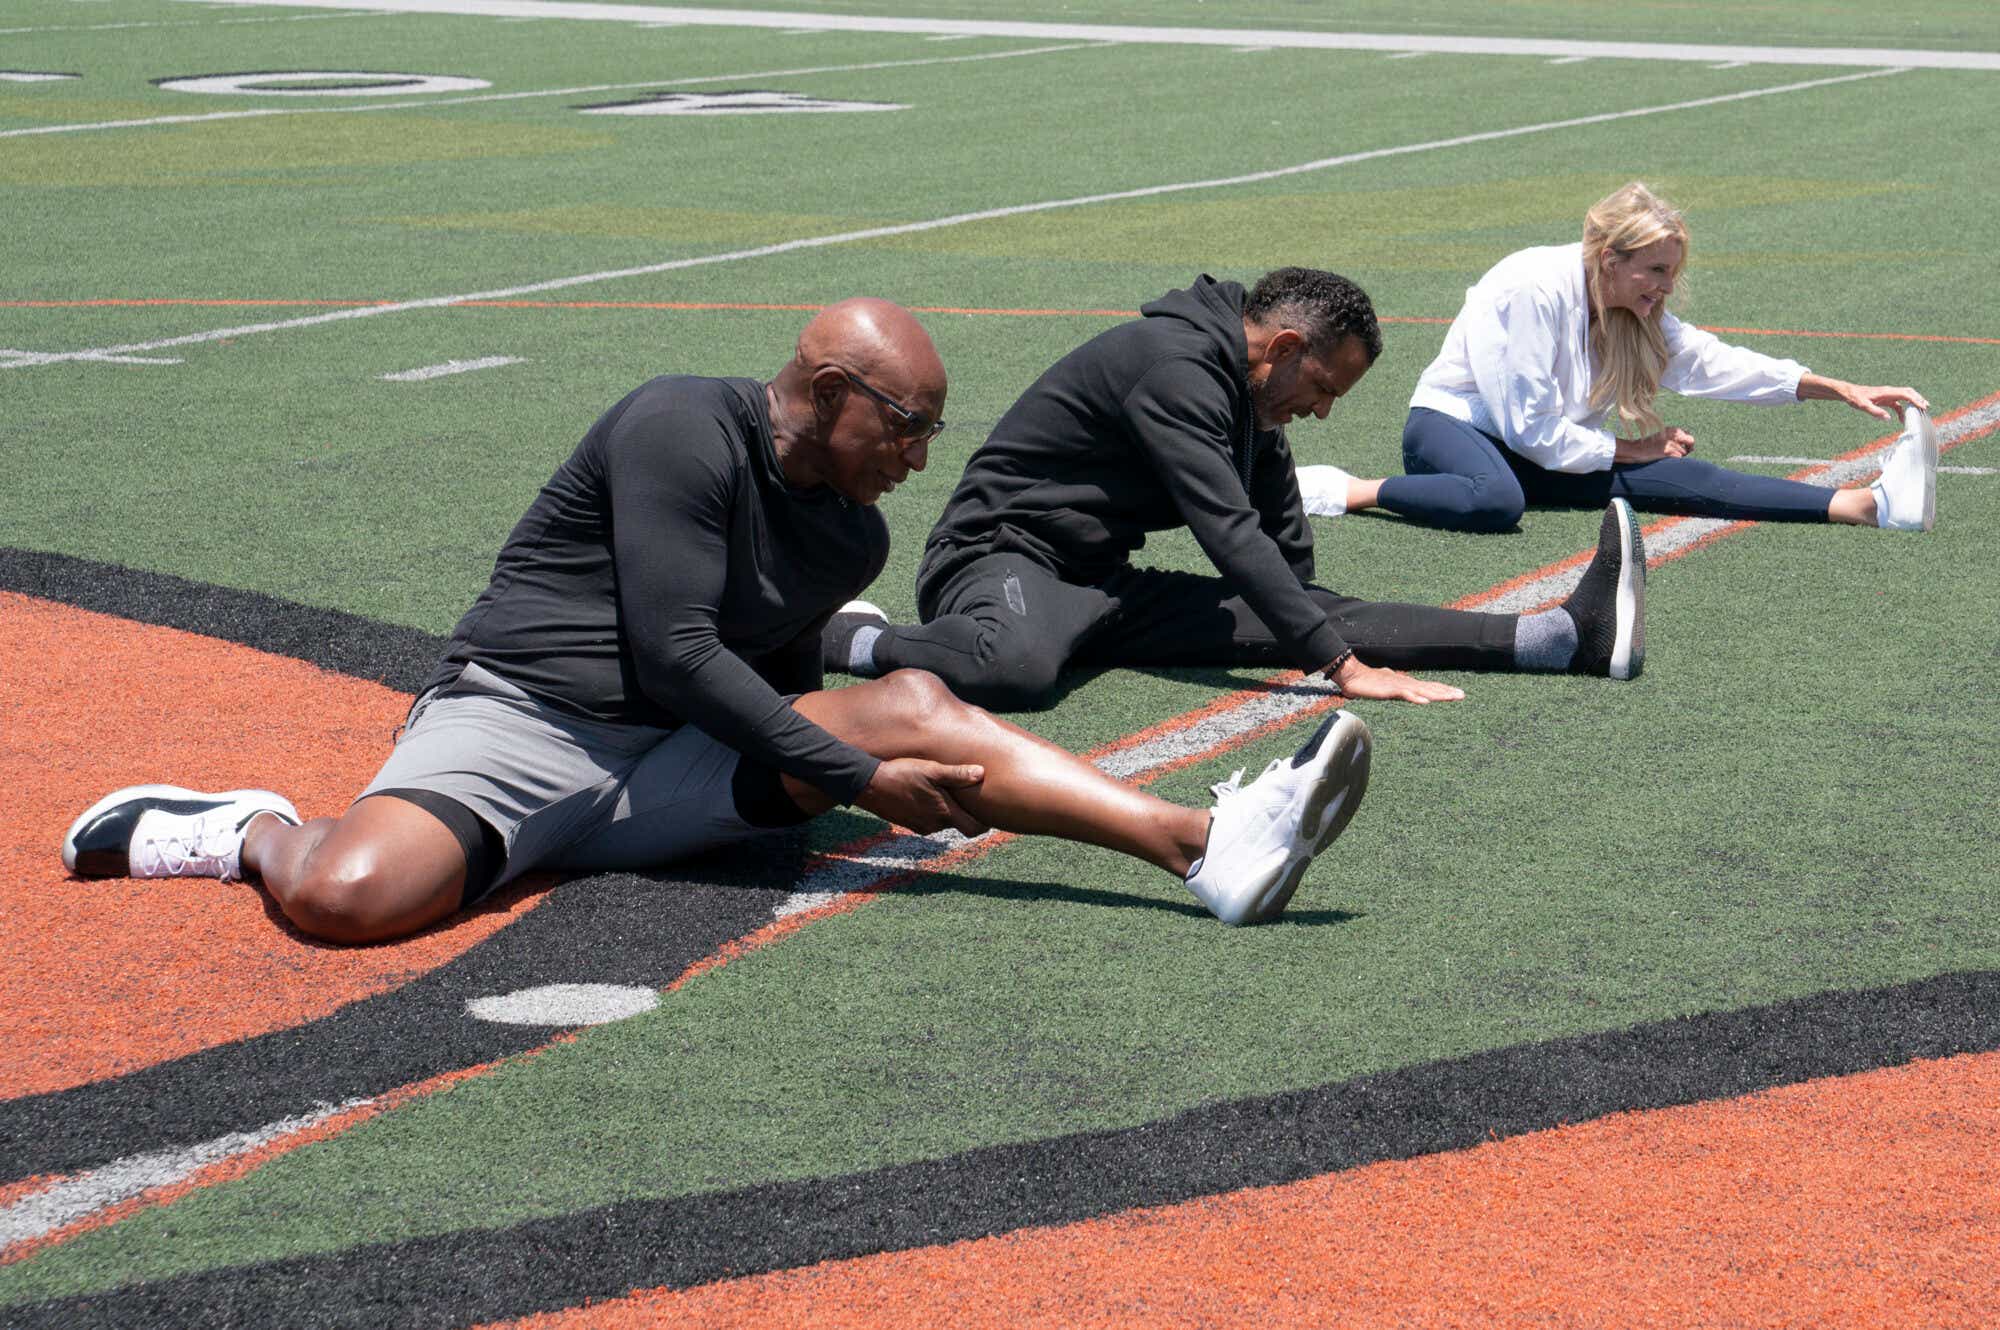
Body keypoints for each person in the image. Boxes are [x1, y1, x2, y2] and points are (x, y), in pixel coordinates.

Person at [61, 300, 1375, 936]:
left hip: (667, 771)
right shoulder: (679, 421)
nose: (918, 457)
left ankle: (1205, 842)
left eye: (931, 431)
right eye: (902, 425)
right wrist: (855, 775)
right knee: (350, 900)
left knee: (924, 699)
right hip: (524, 725)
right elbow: (678, 651)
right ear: (824, 387)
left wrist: (859, 746)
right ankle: (241, 827)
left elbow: (774, 674)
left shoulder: (852, 527)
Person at [823, 267, 1648, 711]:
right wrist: (1337, 663)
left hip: (1099, 584)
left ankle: (1557, 637)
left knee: (1311, 606)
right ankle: (855, 640)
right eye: (1322, 388)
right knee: (1016, 673)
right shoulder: (1176, 370)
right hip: (995, 560)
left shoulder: (1248, 388)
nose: (1321, 412)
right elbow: (1226, 528)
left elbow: (1279, 533)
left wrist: (1310, 616)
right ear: (1284, 346)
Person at [1296, 182, 1937, 533]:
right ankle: (1347, 489)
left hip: (1545, 446)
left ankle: (1868, 505)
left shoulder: (1637, 311)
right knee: (1494, 501)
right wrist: (1632, 448)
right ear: (1611, 259)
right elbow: (1527, 427)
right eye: (1655, 270)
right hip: (1452, 429)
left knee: (1681, 480)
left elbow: (1714, 364)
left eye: (1671, 272)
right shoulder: (1532, 287)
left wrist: (1838, 386)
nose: (1664, 286)